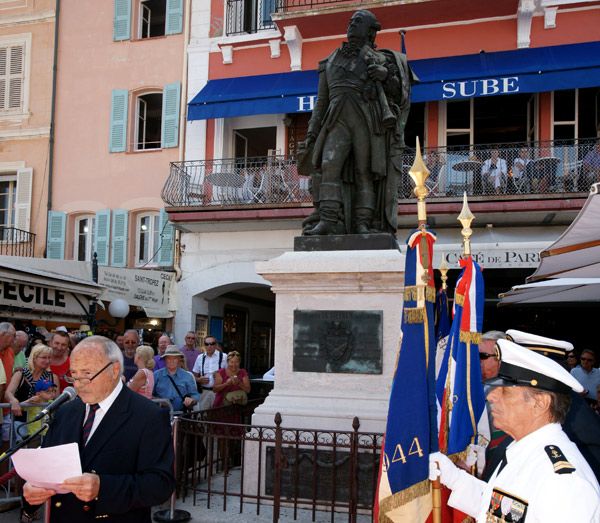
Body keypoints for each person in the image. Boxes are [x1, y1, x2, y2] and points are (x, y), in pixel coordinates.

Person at [430, 338, 600, 522]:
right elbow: (499, 509)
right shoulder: (525, 450)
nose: (492, 395)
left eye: (506, 391)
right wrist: (454, 478)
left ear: (540, 403)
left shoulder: (562, 482)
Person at [22, 336, 174, 522]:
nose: (77, 383)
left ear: (114, 369)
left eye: (87, 373)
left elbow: (160, 485)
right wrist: (32, 489)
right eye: (74, 374)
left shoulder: (148, 415)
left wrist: (103, 488)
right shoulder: (65, 412)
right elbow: (45, 466)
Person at [302, 10, 416, 236]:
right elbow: (321, 101)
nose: (352, 25)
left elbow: (399, 94)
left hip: (367, 118)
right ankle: (327, 220)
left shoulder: (383, 60)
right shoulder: (330, 61)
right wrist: (312, 130)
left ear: (371, 31)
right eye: (351, 22)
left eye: (358, 22)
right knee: (329, 167)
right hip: (336, 119)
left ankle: (362, 223)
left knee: (365, 171)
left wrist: (385, 76)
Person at [5, 344, 58, 442]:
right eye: (44, 357)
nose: (47, 361)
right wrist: (14, 401)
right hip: (21, 421)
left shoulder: (52, 377)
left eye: (49, 358)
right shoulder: (20, 375)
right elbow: (8, 393)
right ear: (34, 358)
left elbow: (57, 400)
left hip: (42, 424)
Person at [153, 346, 198, 413]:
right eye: (169, 358)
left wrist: (191, 400)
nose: (172, 361)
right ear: (165, 359)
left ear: (179, 359)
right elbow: (149, 395)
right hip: (160, 414)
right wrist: (159, 400)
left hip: (181, 415)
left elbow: (195, 395)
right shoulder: (156, 375)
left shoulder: (188, 376)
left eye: (175, 358)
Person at [192, 336, 227, 410]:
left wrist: (220, 377)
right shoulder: (200, 357)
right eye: (207, 344)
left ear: (216, 345)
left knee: (218, 415)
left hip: (219, 392)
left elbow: (230, 375)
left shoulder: (224, 357)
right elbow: (193, 376)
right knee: (203, 416)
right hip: (204, 392)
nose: (209, 346)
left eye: (212, 344)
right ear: (204, 345)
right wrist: (199, 380)